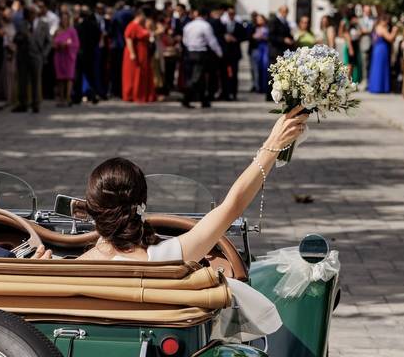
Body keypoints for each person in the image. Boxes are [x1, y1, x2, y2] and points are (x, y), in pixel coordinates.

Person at [78, 106, 308, 264]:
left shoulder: (71, 270)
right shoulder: (166, 258)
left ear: (93, 209)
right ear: (141, 204)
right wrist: (273, 143)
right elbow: (232, 206)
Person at [14, 5, 51, 113]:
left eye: (32, 12)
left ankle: (36, 104)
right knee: (22, 81)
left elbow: (48, 41)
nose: (30, 15)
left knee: (36, 81)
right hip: (23, 57)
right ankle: (23, 103)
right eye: (28, 13)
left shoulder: (43, 25)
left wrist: (44, 54)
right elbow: (16, 39)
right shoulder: (22, 24)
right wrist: (22, 36)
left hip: (37, 56)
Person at [182, 9, 223, 109]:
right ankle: (186, 98)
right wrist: (219, 52)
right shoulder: (205, 26)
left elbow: (185, 41)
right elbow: (212, 41)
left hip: (189, 52)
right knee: (196, 78)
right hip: (200, 53)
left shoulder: (188, 25)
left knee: (197, 77)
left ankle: (204, 100)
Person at [122, 7, 157, 104]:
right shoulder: (132, 26)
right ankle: (134, 94)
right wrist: (132, 53)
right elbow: (128, 39)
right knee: (135, 74)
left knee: (142, 73)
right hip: (136, 52)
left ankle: (143, 94)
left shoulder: (140, 26)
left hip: (143, 52)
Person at [265, 6, 293, 101]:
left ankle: (278, 95)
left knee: (280, 75)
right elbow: (271, 36)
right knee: (273, 74)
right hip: (275, 51)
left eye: (287, 12)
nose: (286, 13)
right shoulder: (274, 21)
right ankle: (270, 95)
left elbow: (287, 34)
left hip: (282, 52)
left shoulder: (285, 21)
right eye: (284, 11)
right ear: (280, 11)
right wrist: (283, 39)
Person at [53, 11, 80, 107]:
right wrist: (59, 45)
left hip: (69, 57)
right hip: (59, 56)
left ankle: (68, 97)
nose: (64, 21)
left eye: (66, 19)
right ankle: (61, 98)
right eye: (63, 19)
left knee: (69, 77)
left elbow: (76, 44)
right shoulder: (57, 31)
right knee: (60, 78)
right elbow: (53, 43)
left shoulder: (72, 31)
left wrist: (68, 45)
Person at [367, 17, 397, 94]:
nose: (387, 23)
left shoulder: (376, 27)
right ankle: (380, 87)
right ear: (382, 21)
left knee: (376, 68)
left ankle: (375, 86)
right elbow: (390, 38)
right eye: (386, 22)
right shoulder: (382, 29)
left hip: (376, 49)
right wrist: (394, 32)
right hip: (382, 49)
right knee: (381, 68)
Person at [250, 14, 269, 95]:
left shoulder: (267, 28)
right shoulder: (253, 27)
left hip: (265, 48)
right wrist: (254, 37)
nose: (259, 21)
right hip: (256, 49)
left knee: (265, 67)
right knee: (256, 69)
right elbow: (249, 37)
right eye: (258, 19)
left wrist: (264, 37)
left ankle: (265, 86)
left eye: (261, 19)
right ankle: (258, 86)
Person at [358, 5, 376, 84]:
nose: (368, 12)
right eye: (366, 10)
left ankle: (371, 81)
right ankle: (365, 80)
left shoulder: (374, 20)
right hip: (364, 44)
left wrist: (366, 31)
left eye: (369, 10)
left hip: (374, 44)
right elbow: (359, 31)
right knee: (364, 63)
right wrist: (366, 31)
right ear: (364, 11)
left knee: (372, 63)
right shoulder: (360, 20)